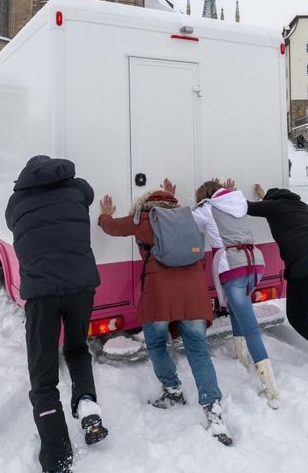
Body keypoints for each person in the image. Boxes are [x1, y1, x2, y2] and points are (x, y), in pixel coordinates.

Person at [97, 179, 233, 446]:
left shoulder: (144, 219)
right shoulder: (189, 218)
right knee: (198, 350)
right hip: (194, 295)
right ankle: (213, 409)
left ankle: (172, 389)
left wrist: (104, 215)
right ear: (171, 202)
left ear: (147, 204)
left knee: (157, 343)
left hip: (159, 296)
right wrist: (170, 196)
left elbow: (112, 228)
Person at [5, 156, 108, 473]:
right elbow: (89, 194)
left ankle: (56, 455)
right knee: (77, 348)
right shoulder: (77, 189)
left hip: (41, 294)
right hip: (80, 287)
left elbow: (12, 223)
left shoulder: (17, 201)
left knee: (43, 373)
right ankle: (88, 404)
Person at [247, 183, 308, 384]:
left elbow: (245, 207)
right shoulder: (301, 206)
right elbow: (271, 204)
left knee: (296, 316)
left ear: (270, 201)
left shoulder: (273, 207)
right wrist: (264, 196)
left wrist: (224, 191)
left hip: (307, 262)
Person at [192, 178, 279, 408]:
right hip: (255, 263)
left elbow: (189, 222)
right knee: (236, 309)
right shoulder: (236, 201)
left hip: (233, 265)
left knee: (250, 326)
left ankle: (270, 388)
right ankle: (241, 358)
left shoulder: (207, 208)